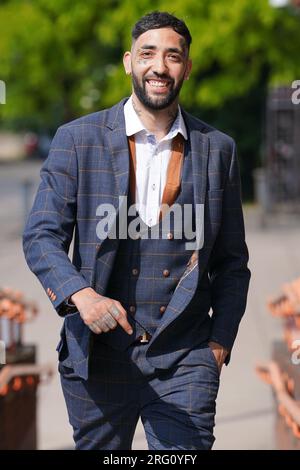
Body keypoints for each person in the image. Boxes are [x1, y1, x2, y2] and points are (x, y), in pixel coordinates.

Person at [23, 11, 251, 450]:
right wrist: (80, 295)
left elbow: (232, 263)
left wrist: (219, 343)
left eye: (173, 56)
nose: (159, 66)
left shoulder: (218, 149)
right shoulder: (76, 139)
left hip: (185, 358)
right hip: (97, 358)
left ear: (186, 66)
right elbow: (41, 235)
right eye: (148, 54)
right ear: (130, 62)